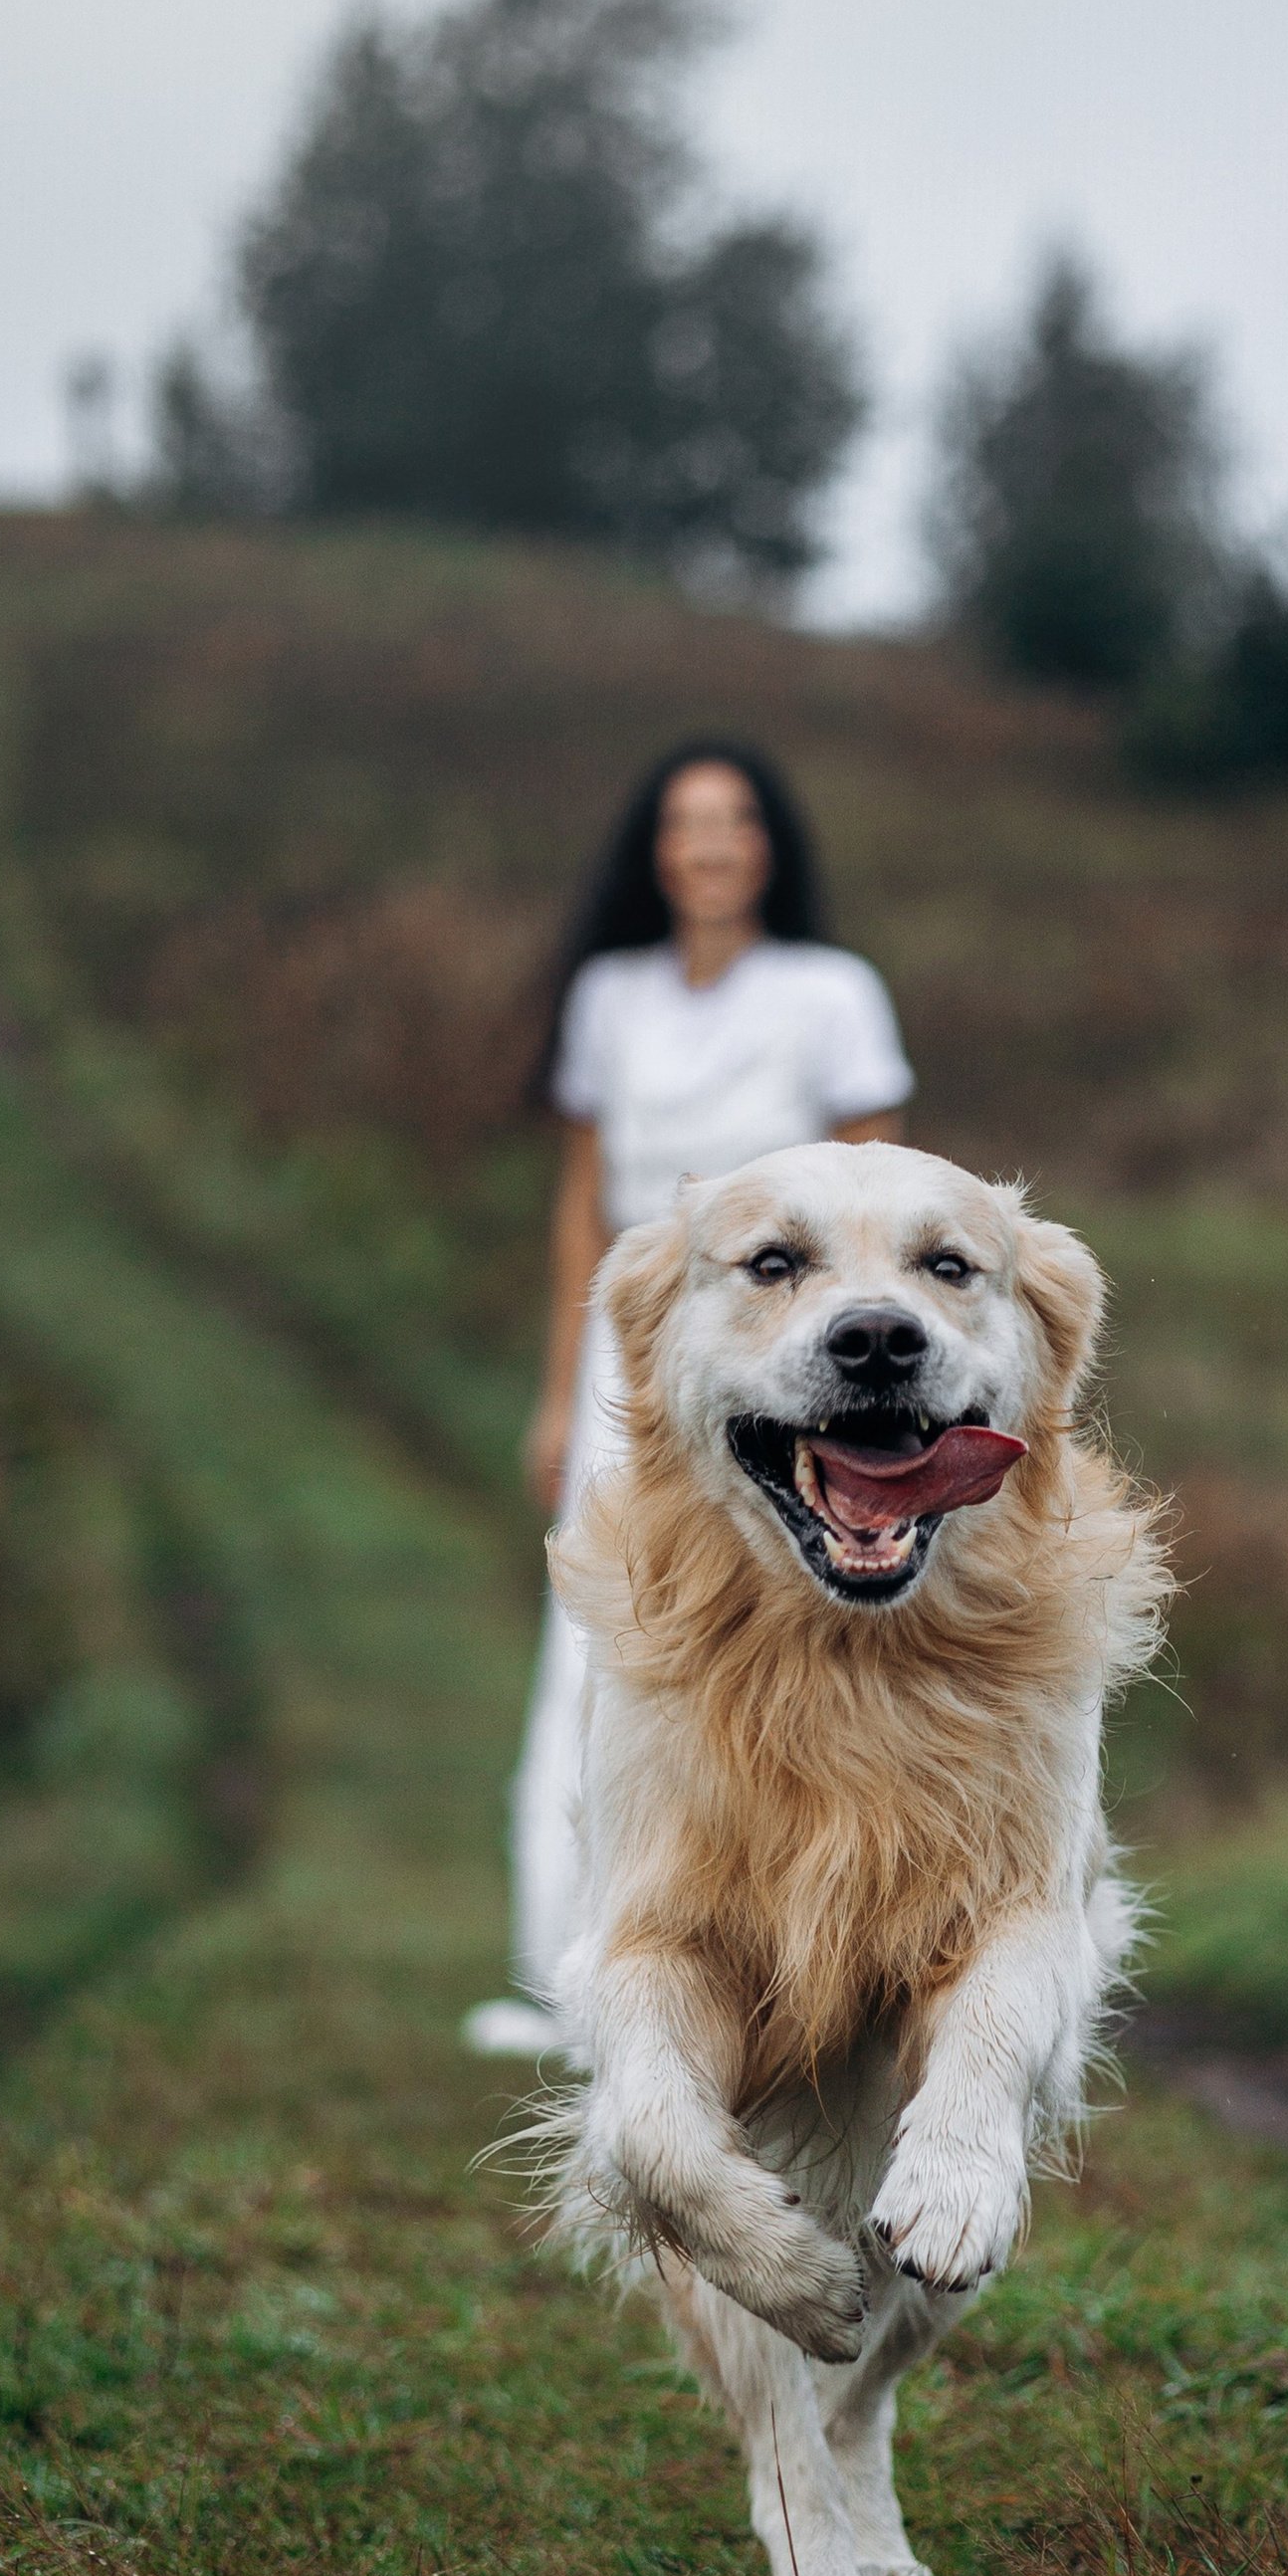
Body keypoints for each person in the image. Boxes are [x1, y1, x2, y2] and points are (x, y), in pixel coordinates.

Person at [463, 742, 912, 2053]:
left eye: (734, 821)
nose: (710, 845)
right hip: (639, 1358)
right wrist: (561, 1395)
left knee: (786, 1632)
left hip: (783, 1359)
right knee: (603, 1637)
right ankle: (580, 1971)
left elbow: (881, 1205)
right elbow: (582, 1207)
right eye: (686, 823)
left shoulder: (831, 994)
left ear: (769, 845)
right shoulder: (609, 998)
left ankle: (798, 1971)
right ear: (655, 852)